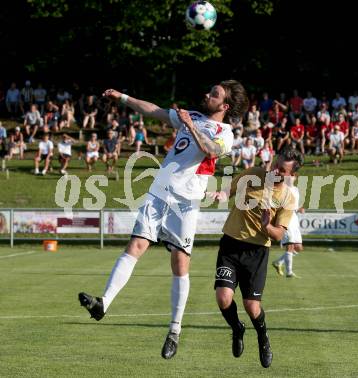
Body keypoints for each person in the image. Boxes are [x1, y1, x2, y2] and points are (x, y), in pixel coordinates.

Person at [78, 80, 249, 360]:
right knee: (136, 245)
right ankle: (103, 303)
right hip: (159, 192)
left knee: (180, 263)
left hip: (185, 201)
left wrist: (189, 126)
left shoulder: (225, 132)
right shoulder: (191, 115)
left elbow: (212, 151)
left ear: (225, 106)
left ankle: (174, 330)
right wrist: (122, 96)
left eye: (215, 94)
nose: (208, 94)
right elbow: (154, 110)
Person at [210, 147, 302, 368]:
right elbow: (229, 190)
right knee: (223, 298)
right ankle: (237, 329)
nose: (276, 170)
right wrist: (221, 194)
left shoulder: (287, 198)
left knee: (252, 306)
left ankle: (263, 337)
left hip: (257, 251)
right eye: (276, 164)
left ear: (292, 176)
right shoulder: (254, 173)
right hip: (231, 245)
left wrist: (266, 225)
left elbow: (279, 234)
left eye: (282, 169)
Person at [272, 172, 304, 278]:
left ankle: (278, 262)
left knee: (298, 247)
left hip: (294, 217)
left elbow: (295, 205)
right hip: (285, 217)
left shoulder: (296, 189)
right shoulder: (281, 188)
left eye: (293, 175)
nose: (291, 177)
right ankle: (289, 272)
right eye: (289, 175)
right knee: (290, 245)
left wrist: (299, 209)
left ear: (295, 178)